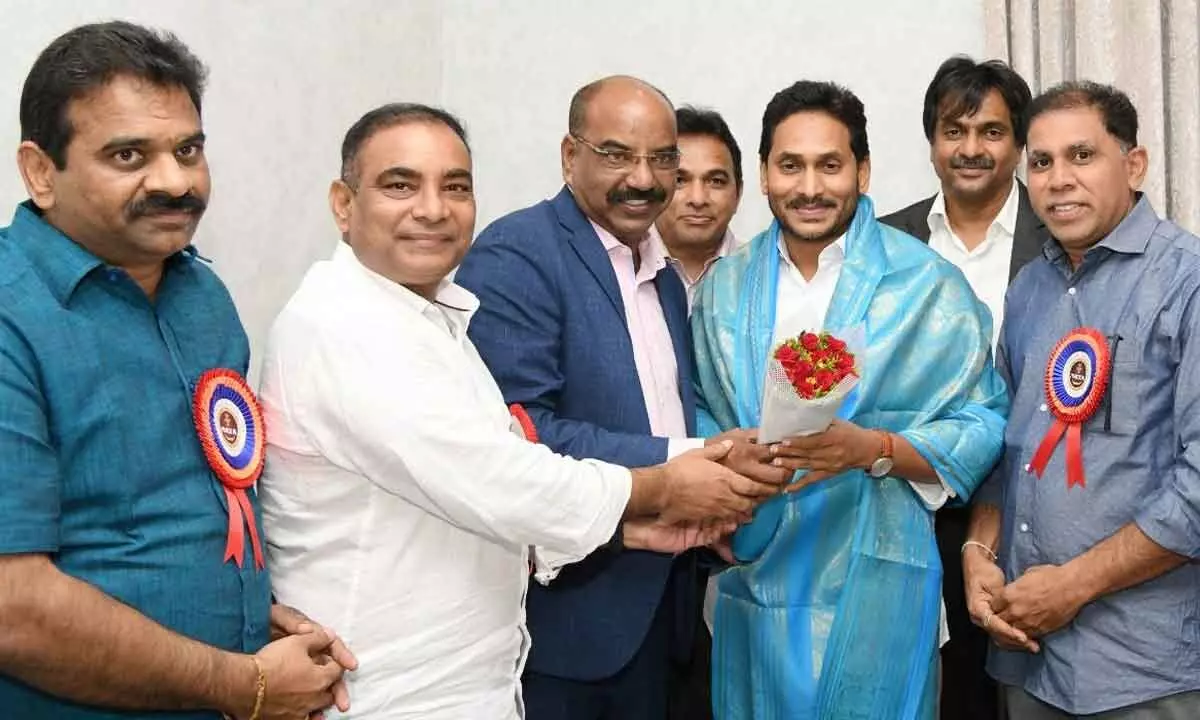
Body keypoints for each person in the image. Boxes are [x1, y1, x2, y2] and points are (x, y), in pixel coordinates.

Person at [259, 102, 782, 720]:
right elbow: (501, 480)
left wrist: (627, 529)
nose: (432, 208)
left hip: (470, 674)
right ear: (344, 204)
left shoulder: (436, 317)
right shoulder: (343, 328)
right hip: (381, 687)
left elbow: (480, 483)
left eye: (455, 187)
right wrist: (663, 486)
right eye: (401, 185)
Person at [0, 21, 353, 720]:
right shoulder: (13, 313)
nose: (174, 181)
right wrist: (241, 684)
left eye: (188, 149)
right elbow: (14, 607)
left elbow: (195, 510)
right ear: (42, 172)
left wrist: (253, 617)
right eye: (129, 154)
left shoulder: (201, 295)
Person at [455, 76, 785, 720]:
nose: (643, 178)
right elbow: (523, 435)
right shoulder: (520, 252)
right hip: (569, 624)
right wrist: (694, 462)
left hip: (665, 611)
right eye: (615, 154)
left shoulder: (659, 273)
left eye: (662, 158)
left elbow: (658, 410)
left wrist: (714, 487)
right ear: (567, 155)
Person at [693, 80, 1008, 719]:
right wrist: (722, 464)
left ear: (862, 172)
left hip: (880, 577)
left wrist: (876, 449)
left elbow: (984, 420)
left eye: (829, 165)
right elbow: (695, 406)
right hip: (755, 569)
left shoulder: (925, 283)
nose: (809, 187)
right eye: (791, 165)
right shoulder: (724, 288)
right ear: (763, 174)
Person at [965, 81, 1200, 719]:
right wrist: (977, 553)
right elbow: (1004, 444)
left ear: (1135, 164)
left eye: (1082, 155)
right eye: (1040, 163)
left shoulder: (1187, 282)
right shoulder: (1029, 288)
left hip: (1142, 669)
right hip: (1025, 653)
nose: (1059, 179)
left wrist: (1072, 586)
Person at [879, 55, 1047, 720]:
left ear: (1018, 141)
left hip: (1032, 510)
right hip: (910, 507)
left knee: (1025, 693)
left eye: (992, 131)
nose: (972, 148)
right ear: (931, 142)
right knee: (930, 693)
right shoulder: (886, 240)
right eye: (955, 130)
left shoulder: (1061, 233)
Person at [654, 106, 743, 308]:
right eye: (679, 180)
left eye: (716, 181)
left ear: (738, 193)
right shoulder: (622, 268)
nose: (698, 199)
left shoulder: (766, 274)